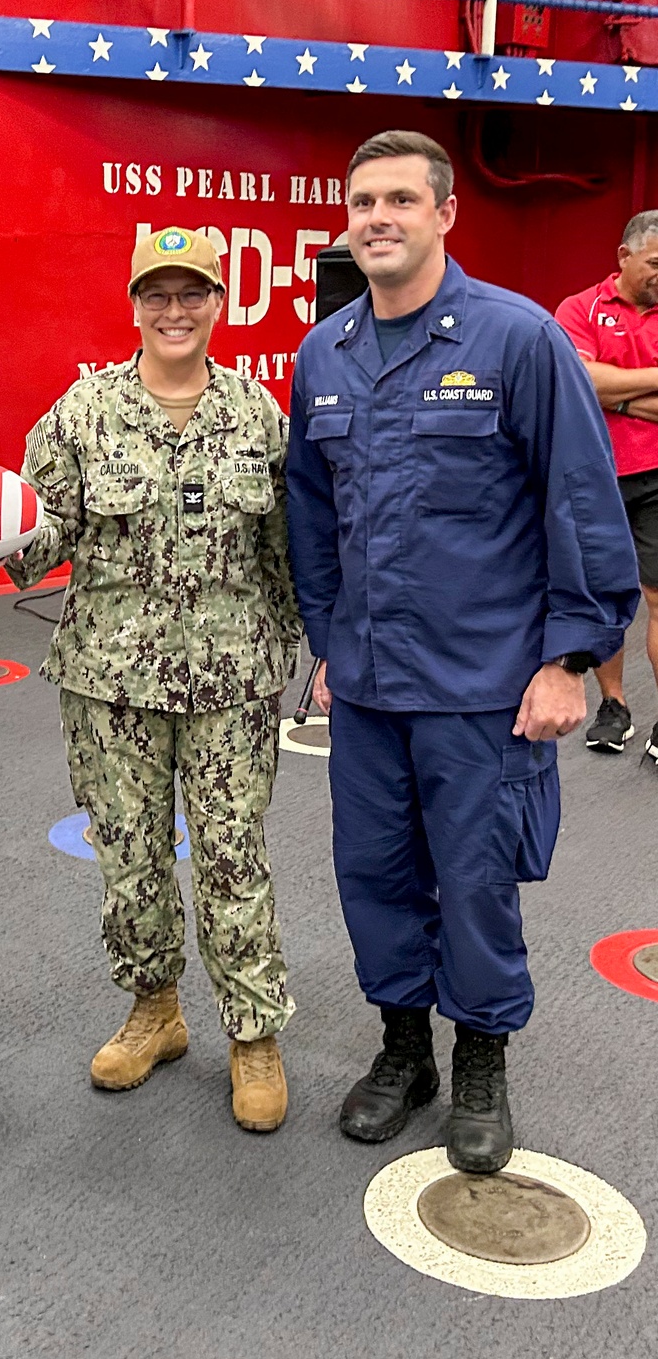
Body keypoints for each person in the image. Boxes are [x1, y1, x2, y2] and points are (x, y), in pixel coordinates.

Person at [287, 131, 638, 1174]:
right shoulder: (325, 354)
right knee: (374, 871)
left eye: (400, 198)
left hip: (485, 680)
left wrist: (568, 657)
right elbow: (311, 515)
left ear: (445, 213)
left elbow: (579, 497)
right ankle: (405, 1051)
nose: (377, 217)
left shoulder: (517, 341)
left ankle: (482, 1057)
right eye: (362, 201)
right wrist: (325, 640)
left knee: (475, 877)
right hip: (368, 678)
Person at [4, 227, 301, 1131]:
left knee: (231, 857)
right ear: (133, 305)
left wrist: (321, 651)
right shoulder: (82, 412)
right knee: (130, 855)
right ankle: (155, 1011)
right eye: (156, 295)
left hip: (234, 679)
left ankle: (252, 1032)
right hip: (109, 679)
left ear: (220, 303)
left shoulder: (258, 416)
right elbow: (38, 536)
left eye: (193, 293)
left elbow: (289, 550)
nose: (174, 311)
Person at [555, 214, 658, 759]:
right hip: (594, 472)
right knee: (602, 596)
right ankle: (614, 705)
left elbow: (596, 382)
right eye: (656, 264)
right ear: (624, 255)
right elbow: (579, 382)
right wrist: (612, 391)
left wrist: (611, 391)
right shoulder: (579, 309)